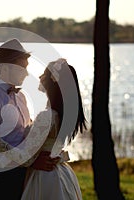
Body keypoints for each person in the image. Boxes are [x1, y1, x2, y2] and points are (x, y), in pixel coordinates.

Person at [0, 38, 59, 200]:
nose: (27, 73)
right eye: (22, 68)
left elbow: (25, 137)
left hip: (23, 177)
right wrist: (32, 163)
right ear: (6, 68)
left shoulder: (22, 97)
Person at [21, 58, 87, 200]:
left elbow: (25, 156)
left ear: (52, 81)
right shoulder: (62, 115)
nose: (40, 77)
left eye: (44, 74)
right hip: (61, 173)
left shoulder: (47, 117)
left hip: (44, 176)